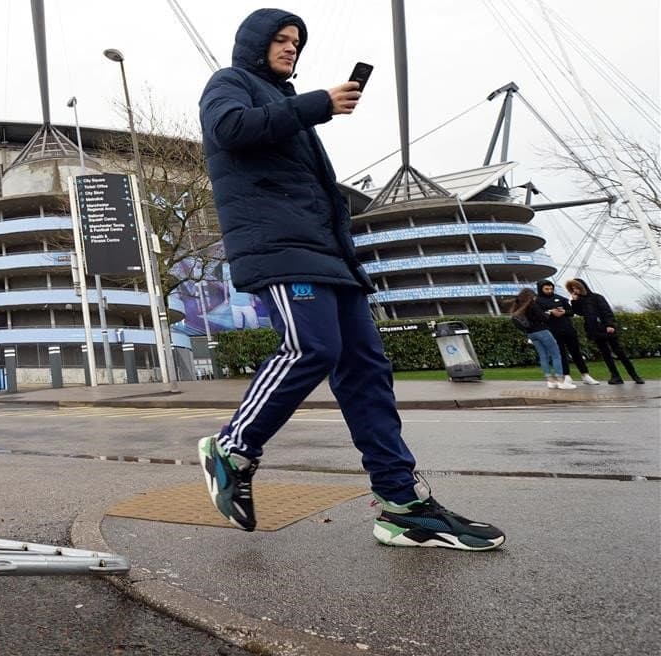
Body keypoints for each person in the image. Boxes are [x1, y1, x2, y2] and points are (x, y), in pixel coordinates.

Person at [196, 8, 504, 550]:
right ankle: (233, 449)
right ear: (254, 42)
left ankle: (401, 505)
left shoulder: (286, 107)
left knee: (366, 369)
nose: (291, 49)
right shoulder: (230, 84)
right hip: (280, 250)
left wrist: (349, 257)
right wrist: (318, 103)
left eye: (296, 42)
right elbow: (229, 130)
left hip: (329, 256)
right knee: (309, 347)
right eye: (281, 40)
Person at [566, 278, 644, 384]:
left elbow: (606, 311)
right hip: (594, 330)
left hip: (605, 327)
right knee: (605, 354)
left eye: (576, 287)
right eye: (573, 288)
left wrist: (609, 324)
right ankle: (615, 376)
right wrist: (574, 301)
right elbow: (579, 313)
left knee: (619, 352)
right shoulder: (579, 301)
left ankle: (634, 375)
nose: (575, 290)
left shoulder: (597, 297)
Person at [535, 280, 599, 386]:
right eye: (546, 289)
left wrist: (564, 312)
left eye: (551, 288)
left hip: (568, 329)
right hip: (553, 331)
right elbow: (538, 315)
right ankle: (566, 376)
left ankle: (585, 374)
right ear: (541, 289)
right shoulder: (537, 301)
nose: (549, 291)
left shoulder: (560, 298)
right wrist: (550, 312)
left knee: (576, 352)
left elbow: (571, 312)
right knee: (560, 354)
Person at [510, 288, 575, 389]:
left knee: (543, 356)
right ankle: (561, 381)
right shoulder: (532, 304)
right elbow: (544, 317)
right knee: (556, 354)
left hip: (531, 334)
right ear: (531, 296)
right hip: (542, 331)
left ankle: (550, 381)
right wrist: (549, 312)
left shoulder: (519, 306)